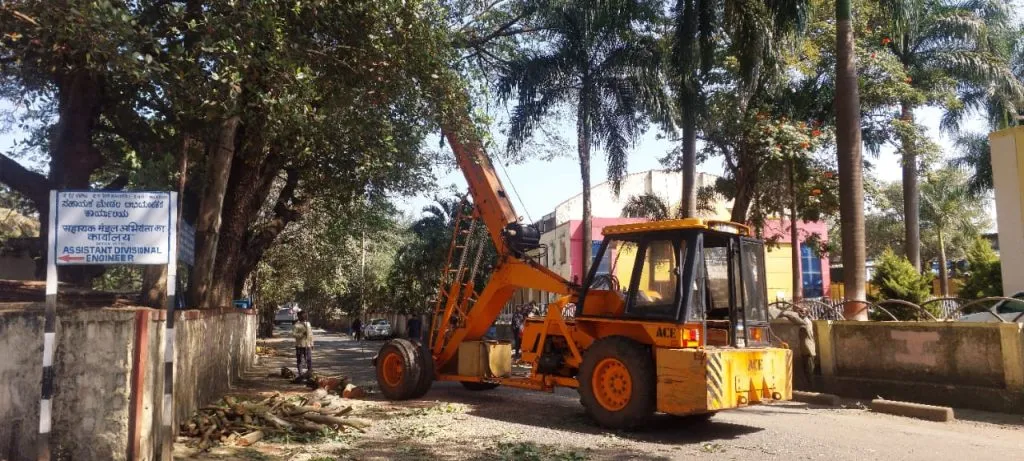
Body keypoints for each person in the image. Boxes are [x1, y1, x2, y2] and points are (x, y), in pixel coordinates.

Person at [292, 310, 314, 377]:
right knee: (300, 360)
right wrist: (302, 334)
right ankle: (300, 374)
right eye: (301, 315)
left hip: (307, 345)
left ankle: (309, 373)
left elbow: (310, 334)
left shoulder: (308, 324)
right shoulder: (296, 325)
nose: (303, 317)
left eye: (304, 315)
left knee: (308, 360)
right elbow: (294, 335)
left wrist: (312, 343)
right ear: (299, 316)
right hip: (299, 345)